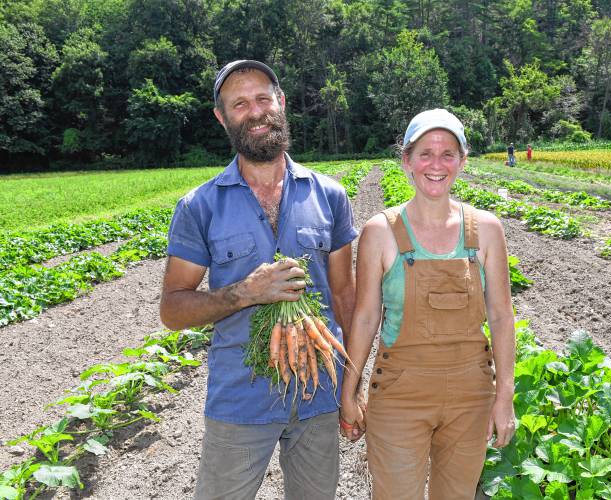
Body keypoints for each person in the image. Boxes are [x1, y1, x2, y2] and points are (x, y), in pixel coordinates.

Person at [160, 60, 357, 500]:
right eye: (240, 103)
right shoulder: (199, 206)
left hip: (319, 395)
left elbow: (346, 296)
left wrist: (352, 385)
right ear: (222, 116)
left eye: (263, 98)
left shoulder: (330, 195)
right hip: (239, 398)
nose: (255, 111)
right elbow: (173, 309)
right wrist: (243, 293)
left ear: (281, 102)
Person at [339, 109, 516, 499]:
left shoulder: (485, 230)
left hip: (471, 393)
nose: (436, 165)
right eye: (425, 153)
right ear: (406, 161)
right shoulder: (380, 232)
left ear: (462, 161)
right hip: (400, 392)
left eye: (448, 154)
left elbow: (502, 317)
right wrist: (349, 393)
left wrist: (505, 396)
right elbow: (366, 318)